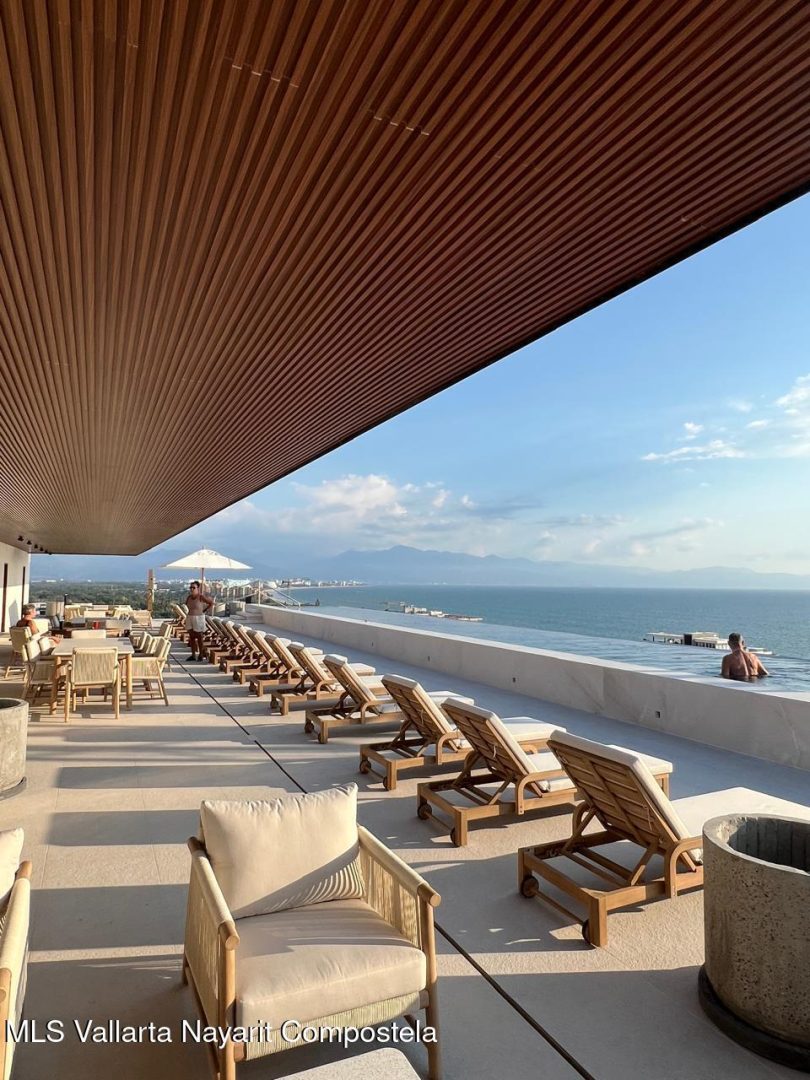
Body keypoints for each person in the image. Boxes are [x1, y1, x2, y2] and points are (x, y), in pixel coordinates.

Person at [184, 581, 213, 661]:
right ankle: (193, 655)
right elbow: (186, 605)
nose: (192, 589)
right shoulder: (189, 597)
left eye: (194, 587)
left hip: (199, 618)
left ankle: (201, 654)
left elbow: (211, 603)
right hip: (190, 617)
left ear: (198, 588)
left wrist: (204, 610)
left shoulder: (201, 597)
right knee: (191, 636)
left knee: (199, 636)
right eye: (191, 587)